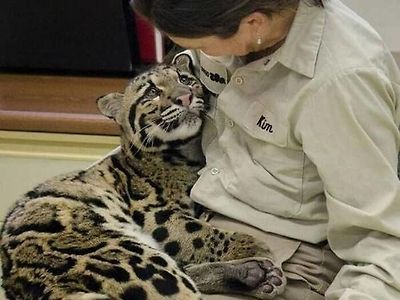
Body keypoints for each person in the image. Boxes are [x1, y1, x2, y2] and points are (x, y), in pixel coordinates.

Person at [131, 0, 400, 299]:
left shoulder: (340, 83)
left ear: (254, 24)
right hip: (196, 219)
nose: (198, 55)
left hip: (286, 252)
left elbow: (383, 247)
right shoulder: (230, 22)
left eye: (203, 45)